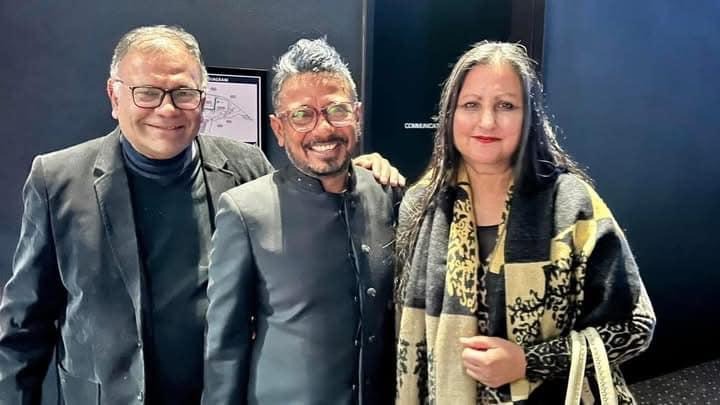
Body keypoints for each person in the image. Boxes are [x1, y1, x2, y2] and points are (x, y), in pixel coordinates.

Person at [0, 25, 400, 405]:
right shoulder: (58, 180)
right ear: (114, 96)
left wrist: (358, 174)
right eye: (147, 93)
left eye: (184, 93)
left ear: (203, 99)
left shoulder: (246, 166)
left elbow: (307, 195)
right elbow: (23, 330)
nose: (167, 109)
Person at [394, 41, 656, 404]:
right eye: (471, 105)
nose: (487, 121)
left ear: (529, 116)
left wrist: (527, 362)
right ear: (450, 114)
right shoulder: (420, 205)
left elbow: (636, 327)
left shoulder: (569, 204)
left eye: (506, 105)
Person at [202, 38, 399, 405]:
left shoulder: (388, 194)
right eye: (302, 115)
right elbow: (225, 348)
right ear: (279, 128)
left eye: (337, 110)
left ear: (357, 115)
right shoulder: (245, 211)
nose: (323, 129)